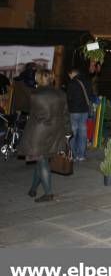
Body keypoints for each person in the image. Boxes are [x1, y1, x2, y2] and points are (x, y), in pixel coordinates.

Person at [18, 69, 70, 203]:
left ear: (39, 79)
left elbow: (26, 110)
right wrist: (68, 131)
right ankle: (33, 189)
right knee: (42, 160)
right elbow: (65, 114)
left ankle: (48, 193)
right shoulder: (61, 94)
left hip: (39, 132)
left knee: (41, 160)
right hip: (56, 131)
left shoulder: (34, 94)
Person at [65, 68, 92, 162]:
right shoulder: (88, 81)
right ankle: (81, 155)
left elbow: (69, 97)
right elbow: (90, 94)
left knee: (73, 133)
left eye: (69, 74)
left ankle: (73, 155)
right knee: (83, 132)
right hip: (84, 110)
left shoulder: (72, 83)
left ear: (73, 73)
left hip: (74, 110)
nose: (69, 77)